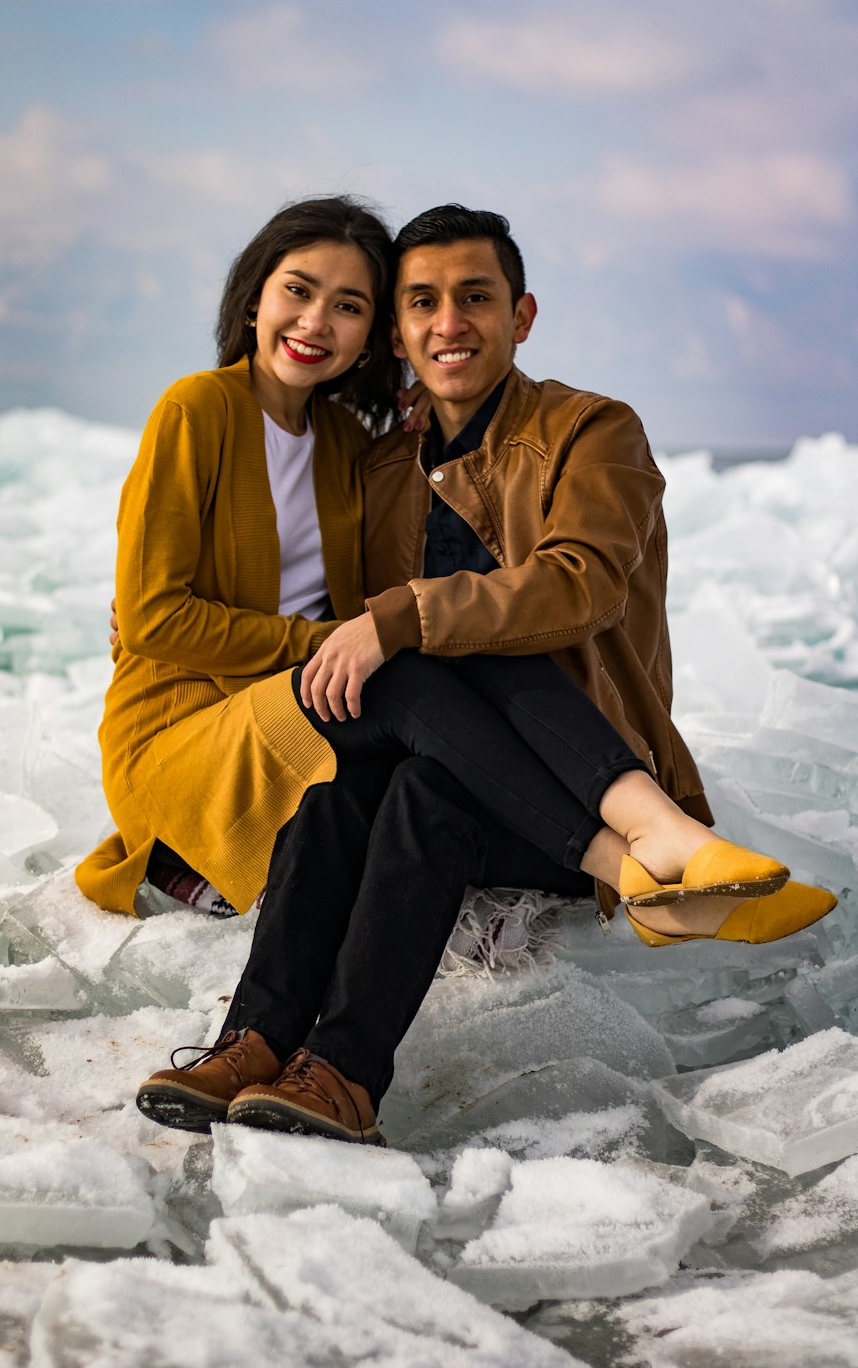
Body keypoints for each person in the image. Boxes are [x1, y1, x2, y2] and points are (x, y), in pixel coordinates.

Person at [136, 204, 836, 1145]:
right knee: (337, 793)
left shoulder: (594, 433)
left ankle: (344, 1074)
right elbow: (343, 641)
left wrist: (404, 616)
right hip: (455, 754)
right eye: (422, 302)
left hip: (572, 768)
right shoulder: (382, 468)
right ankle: (254, 1043)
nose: (448, 324)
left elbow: (575, 588)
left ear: (523, 315)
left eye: (475, 298)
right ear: (398, 329)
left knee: (431, 780)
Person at [74, 195, 406, 921]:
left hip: (298, 709)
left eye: (348, 306)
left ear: (372, 338)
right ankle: (610, 850)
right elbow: (153, 619)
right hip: (175, 735)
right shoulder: (196, 410)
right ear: (255, 299)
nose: (316, 321)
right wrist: (324, 644)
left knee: (424, 701)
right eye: (298, 290)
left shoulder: (349, 443)